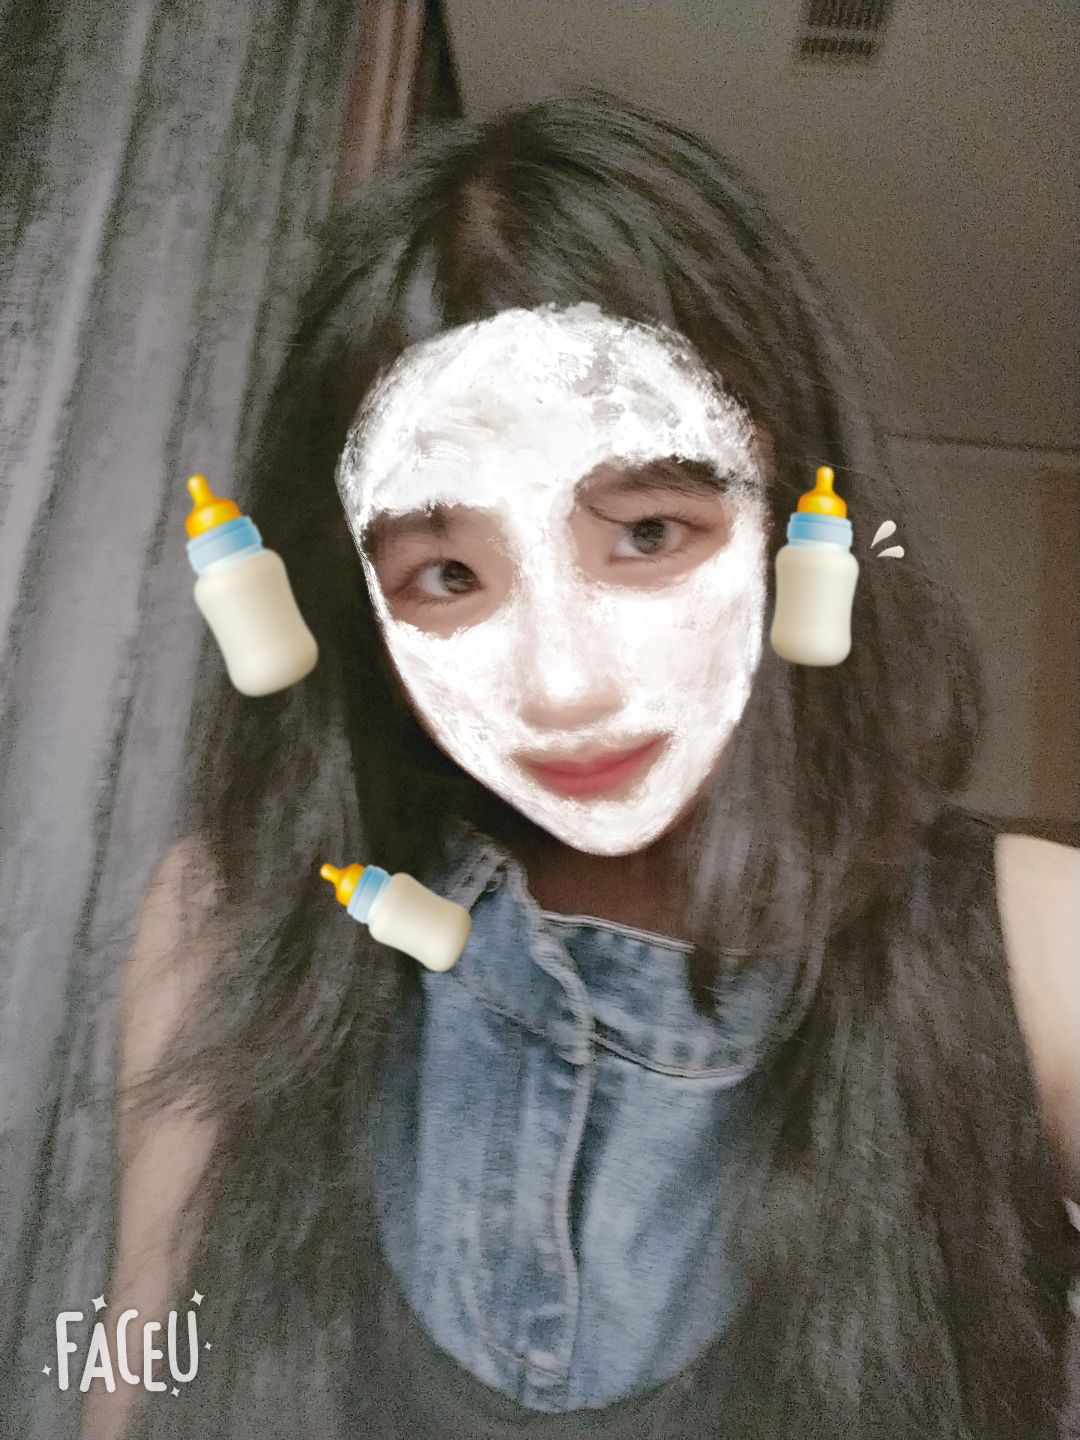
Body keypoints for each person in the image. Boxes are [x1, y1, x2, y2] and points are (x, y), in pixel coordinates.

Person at [80, 89, 1079, 1440]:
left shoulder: (1035, 948)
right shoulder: (232, 920)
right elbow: (139, 1370)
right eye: (446, 574)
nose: (561, 688)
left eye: (649, 533)